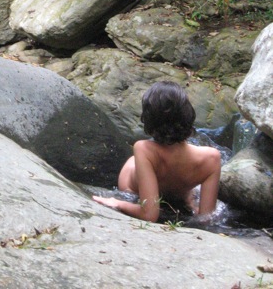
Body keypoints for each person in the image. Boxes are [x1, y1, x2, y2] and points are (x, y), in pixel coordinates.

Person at [93, 81, 221, 223]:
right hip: (180, 190)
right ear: (188, 116)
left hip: (132, 189)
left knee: (133, 163)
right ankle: (187, 199)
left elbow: (149, 215)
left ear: (149, 120)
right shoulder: (212, 157)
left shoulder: (144, 149)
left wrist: (117, 202)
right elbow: (206, 218)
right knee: (186, 194)